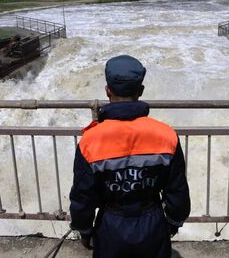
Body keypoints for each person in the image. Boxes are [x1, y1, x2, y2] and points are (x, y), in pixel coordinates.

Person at [70, 55, 190, 257]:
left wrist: (85, 230)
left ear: (107, 90)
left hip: (110, 224)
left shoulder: (90, 141)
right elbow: (177, 190)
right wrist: (173, 222)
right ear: (140, 91)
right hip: (152, 221)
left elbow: (83, 196)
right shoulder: (166, 135)